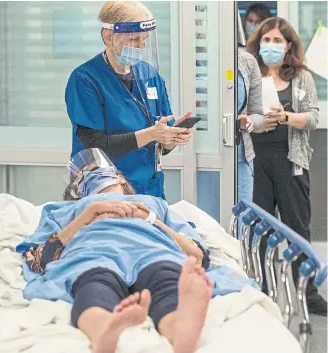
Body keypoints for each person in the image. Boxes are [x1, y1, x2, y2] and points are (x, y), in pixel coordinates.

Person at [17, 149, 256, 353]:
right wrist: (88, 215)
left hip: (152, 249)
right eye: (80, 179)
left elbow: (197, 255)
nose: (86, 179)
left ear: (120, 179)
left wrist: (150, 218)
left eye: (93, 172)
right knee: (94, 285)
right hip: (94, 252)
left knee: (165, 281)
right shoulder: (68, 210)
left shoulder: (154, 204)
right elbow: (38, 258)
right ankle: (104, 331)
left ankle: (180, 330)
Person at [65, 1, 194, 200]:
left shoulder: (150, 75)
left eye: (144, 39)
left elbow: (161, 142)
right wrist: (152, 133)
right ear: (108, 36)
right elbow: (95, 144)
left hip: (149, 189)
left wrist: (172, 138)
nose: (141, 47)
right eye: (134, 39)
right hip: (107, 190)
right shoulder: (85, 79)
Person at [247, 17, 327, 316]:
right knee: (262, 229)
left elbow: (313, 118)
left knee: (297, 227)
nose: (271, 46)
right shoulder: (250, 75)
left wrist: (285, 118)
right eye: (266, 40)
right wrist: (256, 122)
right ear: (258, 44)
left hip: (291, 160)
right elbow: (241, 116)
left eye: (277, 41)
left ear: (288, 45)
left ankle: (308, 293)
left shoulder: (301, 77)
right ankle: (264, 292)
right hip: (257, 161)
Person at [237, 50, 264, 228]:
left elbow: (258, 114)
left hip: (240, 155)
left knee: (240, 222)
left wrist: (250, 121)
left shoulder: (247, 61)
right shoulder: (195, 53)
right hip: (200, 154)